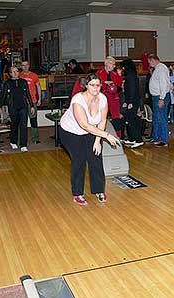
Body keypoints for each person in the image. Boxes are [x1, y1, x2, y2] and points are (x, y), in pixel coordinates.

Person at [59, 73, 120, 205]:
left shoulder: (103, 99)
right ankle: (77, 193)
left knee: (95, 156)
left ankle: (99, 190)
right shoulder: (78, 100)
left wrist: (98, 141)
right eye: (92, 85)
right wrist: (107, 135)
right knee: (79, 159)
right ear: (86, 85)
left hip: (91, 130)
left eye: (98, 85)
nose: (95, 88)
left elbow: (103, 120)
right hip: (70, 132)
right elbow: (84, 125)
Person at [0, 66, 34, 152]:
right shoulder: (7, 83)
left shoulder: (23, 81)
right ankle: (13, 141)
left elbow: (27, 94)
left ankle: (23, 145)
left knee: (24, 125)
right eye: (13, 72)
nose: (15, 73)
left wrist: (32, 105)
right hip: (13, 106)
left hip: (23, 106)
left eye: (16, 71)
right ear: (10, 73)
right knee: (14, 125)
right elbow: (3, 96)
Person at [97, 56, 124, 137]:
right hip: (103, 97)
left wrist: (119, 76)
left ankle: (118, 136)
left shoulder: (115, 74)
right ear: (107, 64)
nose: (113, 66)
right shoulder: (99, 73)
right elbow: (96, 84)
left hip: (113, 97)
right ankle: (99, 134)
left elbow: (119, 85)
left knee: (116, 116)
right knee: (101, 116)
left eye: (114, 64)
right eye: (112, 64)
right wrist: (105, 82)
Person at [148, 54, 171, 147]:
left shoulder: (161, 69)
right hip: (157, 96)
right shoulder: (158, 68)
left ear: (153, 60)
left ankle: (163, 139)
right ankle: (156, 137)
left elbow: (163, 84)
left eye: (149, 62)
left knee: (161, 118)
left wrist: (162, 98)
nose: (149, 64)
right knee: (157, 118)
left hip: (160, 96)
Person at [121, 59, 143, 148]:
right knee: (129, 120)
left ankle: (139, 140)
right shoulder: (131, 75)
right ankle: (132, 139)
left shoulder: (131, 76)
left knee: (133, 121)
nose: (122, 68)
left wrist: (130, 102)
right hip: (131, 101)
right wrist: (126, 101)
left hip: (133, 102)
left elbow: (132, 90)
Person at [20, 61, 41, 144]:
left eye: (26, 65)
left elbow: (38, 87)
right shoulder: (19, 76)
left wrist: (39, 99)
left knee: (33, 120)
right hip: (22, 102)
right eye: (23, 65)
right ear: (21, 66)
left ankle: (35, 138)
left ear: (29, 66)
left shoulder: (34, 75)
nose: (25, 67)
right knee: (22, 121)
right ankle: (21, 140)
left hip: (33, 101)